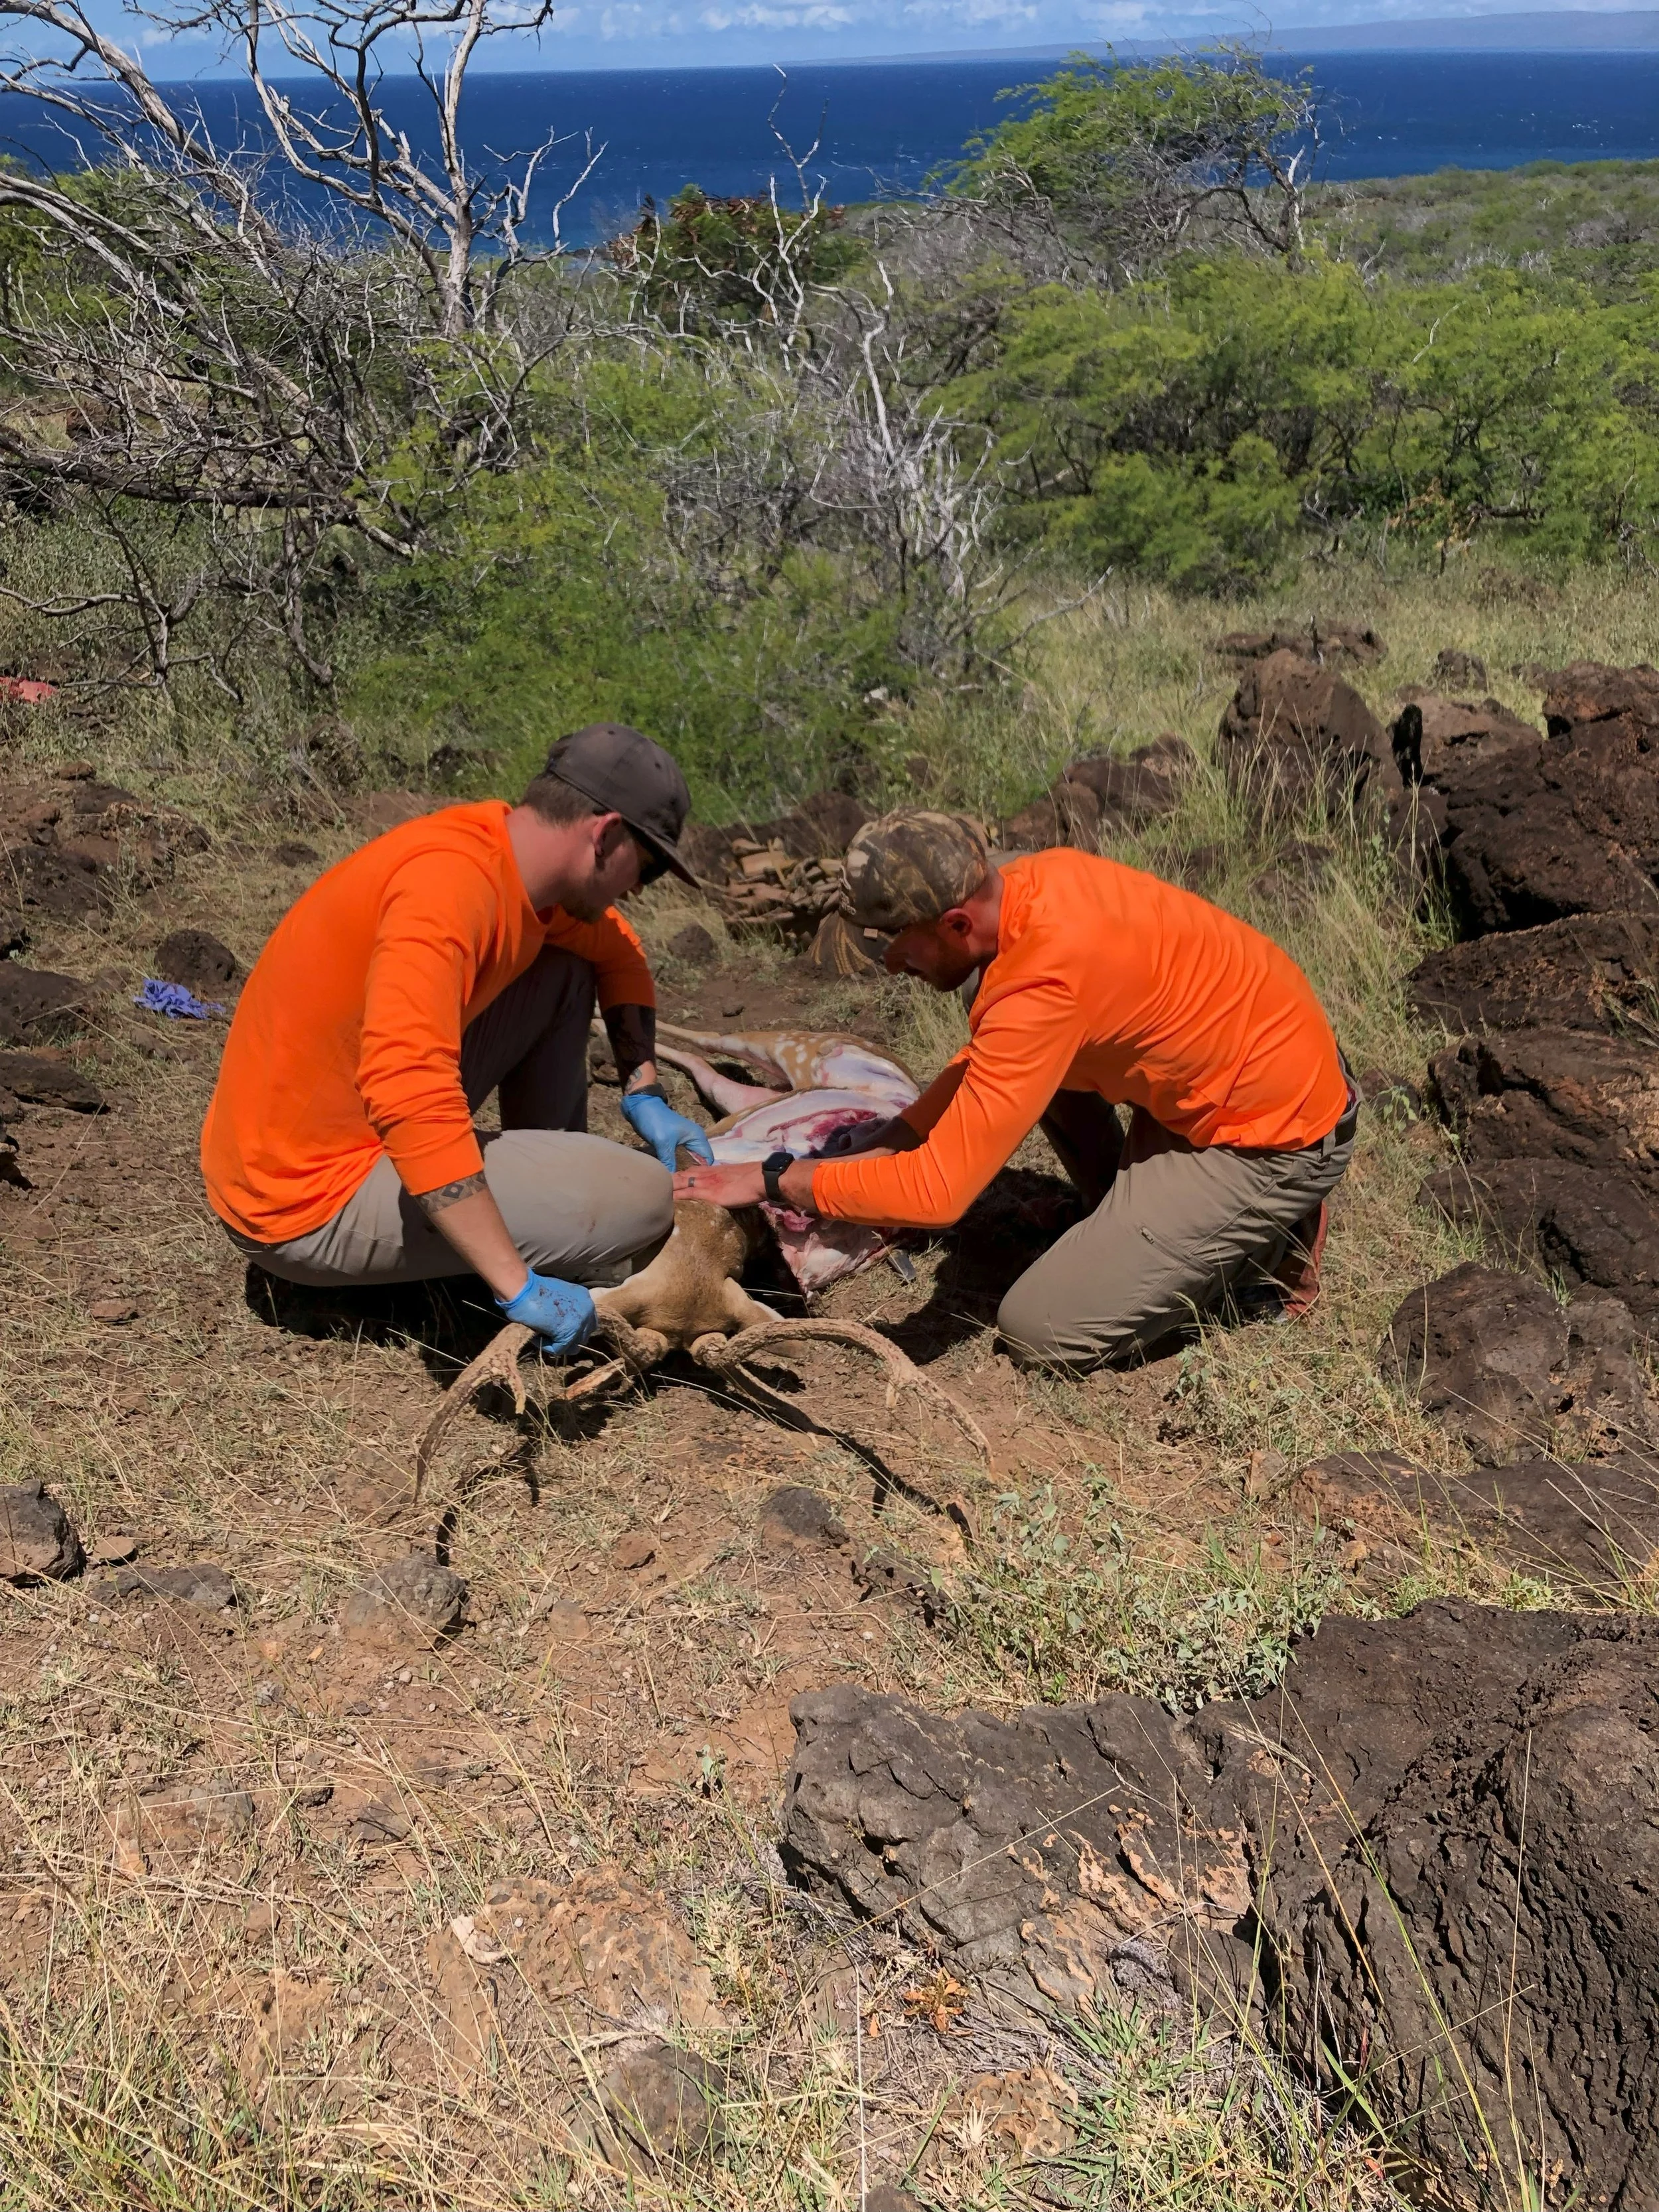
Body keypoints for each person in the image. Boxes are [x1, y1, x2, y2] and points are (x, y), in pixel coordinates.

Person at [673, 809, 1356, 1368]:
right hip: (1238, 1067)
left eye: (898, 940)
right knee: (1050, 1083)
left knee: (1041, 1330)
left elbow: (938, 1196)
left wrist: (773, 1179)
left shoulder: (1041, 986)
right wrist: (895, 1136)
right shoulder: (1032, 883)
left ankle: (1265, 1252)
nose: (890, 961)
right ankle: (1124, 1223)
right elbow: (991, 1064)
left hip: (1271, 1133)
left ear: (956, 924)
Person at [200, 723, 713, 1357]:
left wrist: (644, 1093)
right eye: (651, 866)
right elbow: (408, 1092)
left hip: (336, 1129)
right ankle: (534, 1244)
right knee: (643, 1197)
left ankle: (548, 1202)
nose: (639, 888)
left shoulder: (503, 855)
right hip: (301, 1201)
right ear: (605, 834)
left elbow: (619, 951)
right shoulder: (449, 891)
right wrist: (515, 1284)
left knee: (566, 969)